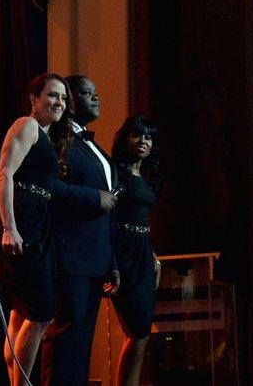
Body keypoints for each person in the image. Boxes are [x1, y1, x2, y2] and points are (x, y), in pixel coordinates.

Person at [0, 73, 72, 385]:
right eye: (52, 95)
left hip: (37, 223)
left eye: (64, 98)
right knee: (40, 315)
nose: (59, 103)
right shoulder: (26, 126)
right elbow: (3, 175)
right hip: (25, 223)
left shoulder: (44, 135)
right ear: (34, 99)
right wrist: (9, 228)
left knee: (22, 314)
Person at [41, 75, 119, 386]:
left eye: (97, 92)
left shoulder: (93, 146)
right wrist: (93, 197)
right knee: (65, 340)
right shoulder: (56, 139)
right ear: (69, 99)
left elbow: (110, 210)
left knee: (81, 344)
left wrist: (112, 262)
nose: (96, 98)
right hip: (70, 254)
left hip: (95, 258)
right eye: (87, 92)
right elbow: (47, 187)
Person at [109, 114, 161, 386]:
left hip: (142, 253)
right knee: (137, 329)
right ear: (125, 138)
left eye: (149, 136)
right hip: (123, 251)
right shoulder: (115, 172)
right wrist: (113, 262)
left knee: (141, 332)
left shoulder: (147, 175)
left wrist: (151, 253)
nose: (143, 141)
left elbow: (143, 220)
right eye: (137, 134)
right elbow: (108, 219)